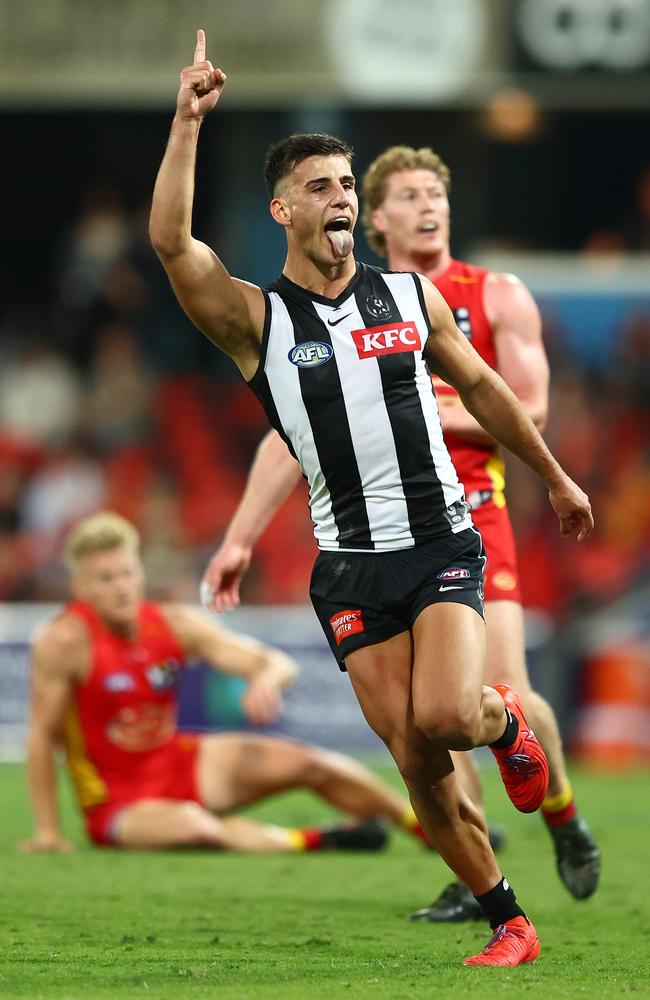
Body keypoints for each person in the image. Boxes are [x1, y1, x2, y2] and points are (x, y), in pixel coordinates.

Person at [149, 30, 594, 967]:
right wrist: (187, 122)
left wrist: (553, 473)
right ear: (282, 209)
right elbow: (170, 242)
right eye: (321, 187)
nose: (341, 200)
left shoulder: (408, 298)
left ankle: (507, 724)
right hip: (348, 566)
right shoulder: (255, 320)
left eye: (348, 185)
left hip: (439, 539)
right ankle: (510, 919)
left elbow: (481, 388)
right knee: (416, 759)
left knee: (445, 717)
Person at [20, 511, 429, 854]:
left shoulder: (174, 625)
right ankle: (322, 839)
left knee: (309, 762)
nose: (121, 587)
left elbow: (274, 662)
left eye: (126, 573)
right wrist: (49, 831)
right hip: (116, 800)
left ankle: (422, 826)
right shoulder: (64, 642)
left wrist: (265, 681)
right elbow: (41, 736)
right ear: (80, 588)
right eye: (106, 578)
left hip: (179, 761)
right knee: (196, 828)